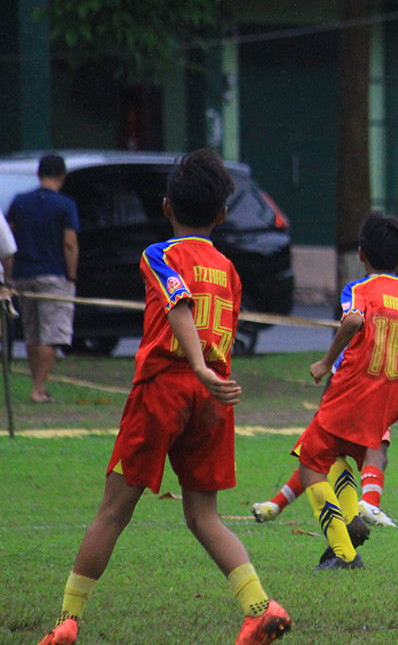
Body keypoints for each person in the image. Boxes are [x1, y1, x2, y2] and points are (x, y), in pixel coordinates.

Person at [36, 150, 290, 645]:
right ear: (222, 215)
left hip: (166, 387)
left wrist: (194, 365)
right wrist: (209, 373)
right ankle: (260, 607)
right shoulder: (229, 270)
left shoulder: (160, 254)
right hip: (213, 398)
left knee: (114, 510)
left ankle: (67, 619)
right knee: (203, 515)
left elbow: (179, 304)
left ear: (167, 206)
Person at [291, 211, 398, 569]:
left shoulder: (360, 290)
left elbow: (353, 319)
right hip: (386, 408)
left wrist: (325, 362)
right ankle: (351, 517)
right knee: (337, 456)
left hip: (350, 395)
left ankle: (345, 554)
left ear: (361, 253)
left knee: (310, 466)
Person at [6, 153, 79, 403]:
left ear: (38, 174)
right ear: (63, 176)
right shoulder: (65, 205)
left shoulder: (20, 202)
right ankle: (38, 388)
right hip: (53, 276)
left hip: (23, 275)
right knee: (51, 335)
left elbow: (8, 238)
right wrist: (71, 275)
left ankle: (38, 385)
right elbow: (69, 243)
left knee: (32, 333)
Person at [251, 433, 397, 527]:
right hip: (367, 399)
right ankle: (370, 503)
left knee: (320, 456)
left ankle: (275, 505)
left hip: (338, 403)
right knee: (377, 449)